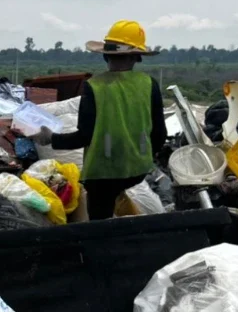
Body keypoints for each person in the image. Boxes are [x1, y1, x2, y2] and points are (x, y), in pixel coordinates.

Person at [33, 20, 168, 220]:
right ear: (136, 57)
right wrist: (144, 156)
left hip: (103, 175)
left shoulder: (94, 87)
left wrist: (51, 138)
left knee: (100, 221)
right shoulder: (150, 84)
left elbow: (83, 137)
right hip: (138, 169)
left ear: (106, 55)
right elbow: (160, 134)